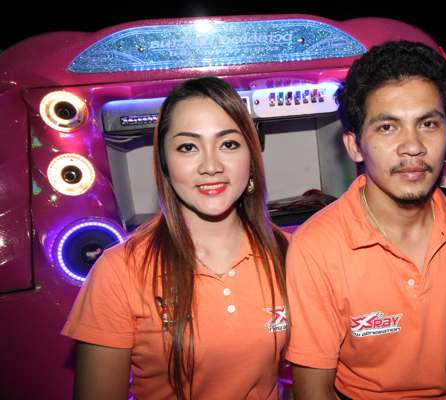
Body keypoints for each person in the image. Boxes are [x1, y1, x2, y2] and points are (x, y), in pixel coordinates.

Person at [285, 41, 446, 399]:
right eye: (388, 127)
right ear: (354, 146)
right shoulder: (317, 246)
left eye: (428, 123)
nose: (413, 146)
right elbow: (313, 387)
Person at [62, 77, 288, 400]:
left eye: (228, 144)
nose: (211, 166)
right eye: (188, 147)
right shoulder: (119, 272)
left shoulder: (289, 254)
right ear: (164, 164)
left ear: (251, 158)